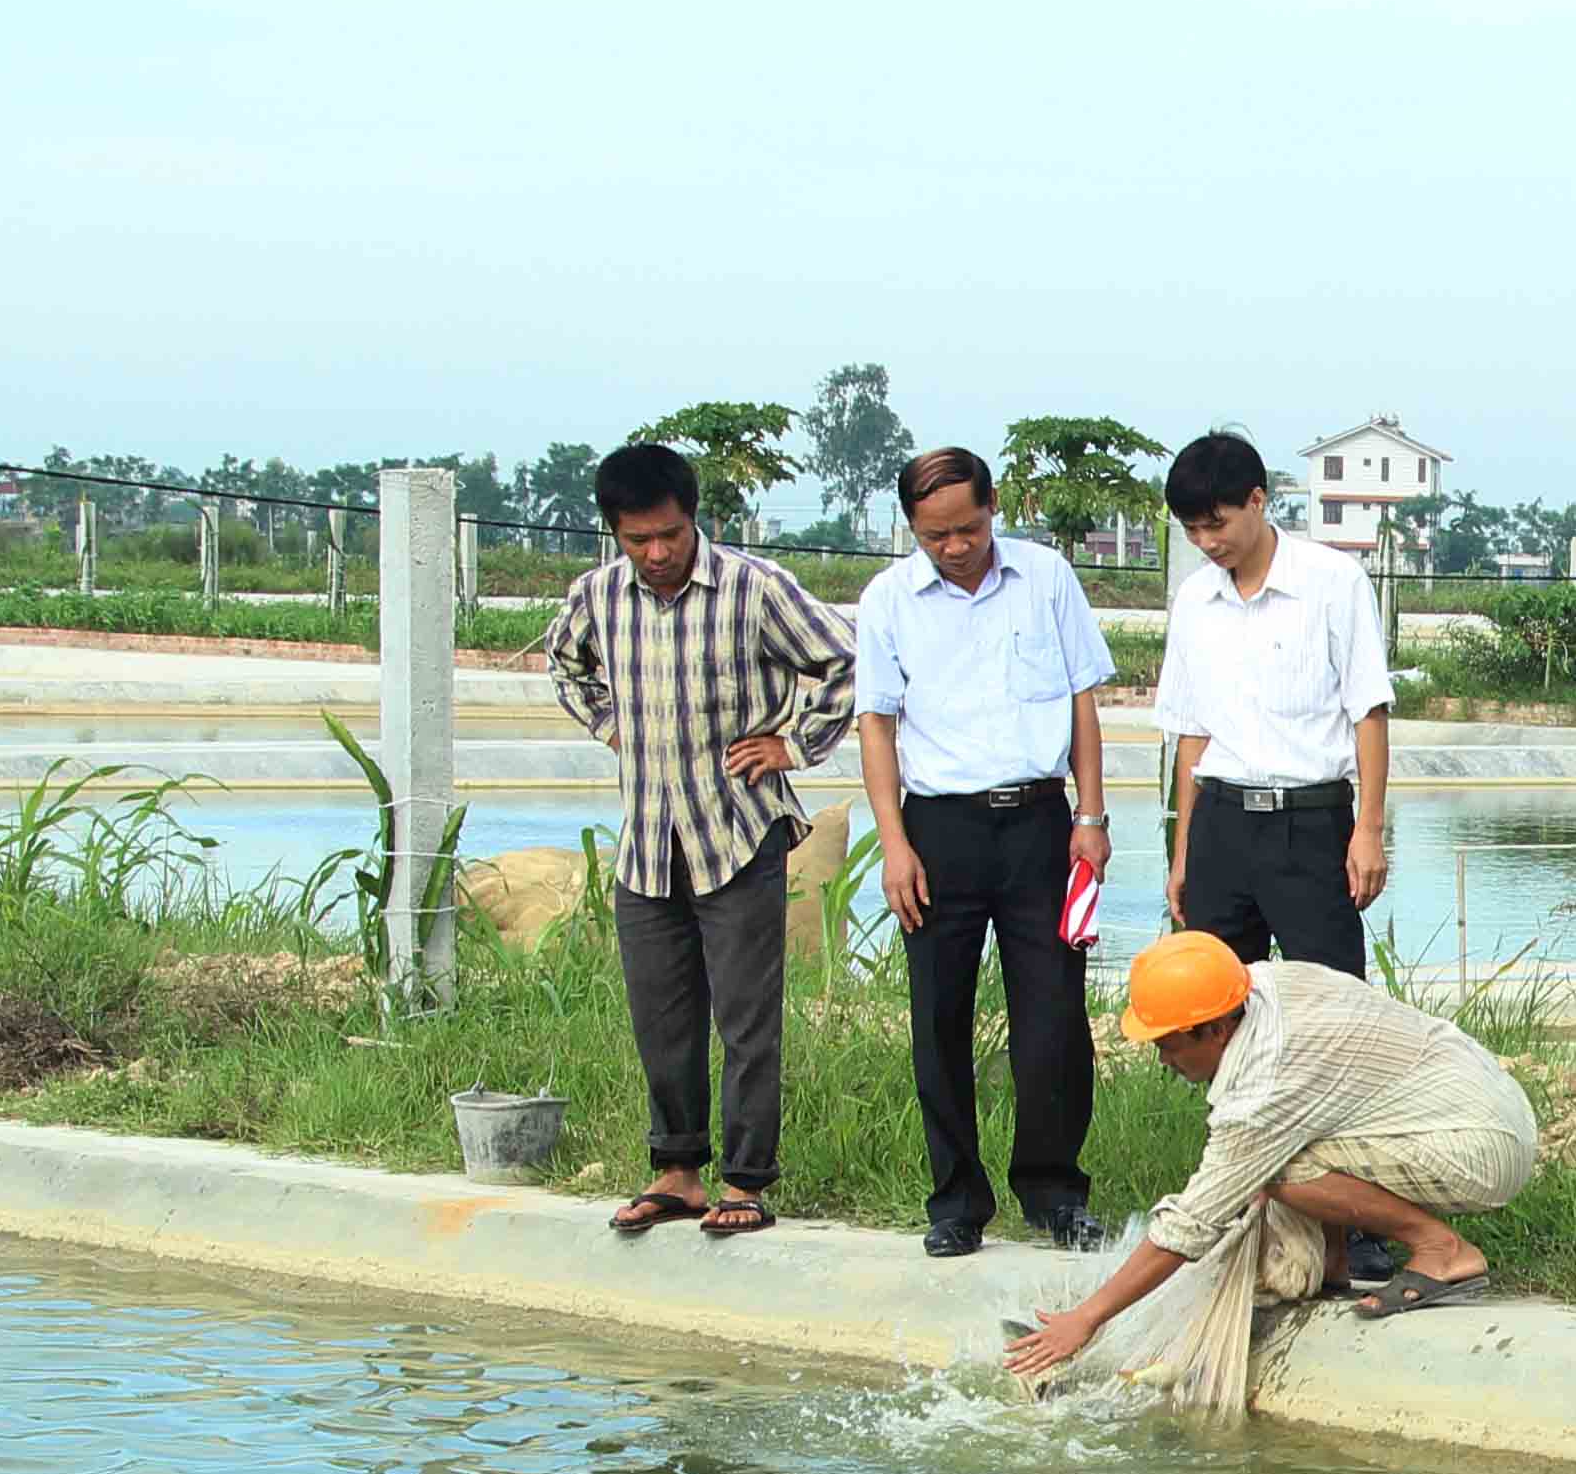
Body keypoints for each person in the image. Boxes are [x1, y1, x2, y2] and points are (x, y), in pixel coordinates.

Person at [546, 439, 855, 1241]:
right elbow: (564, 663)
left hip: (738, 835)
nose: (656, 554)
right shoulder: (599, 595)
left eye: (670, 536)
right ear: (614, 533)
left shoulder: (754, 590)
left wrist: (794, 744)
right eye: (637, 540)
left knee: (747, 1020)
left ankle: (746, 1180)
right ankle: (676, 1170)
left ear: (695, 520)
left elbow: (845, 662)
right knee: (661, 1015)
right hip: (648, 841)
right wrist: (613, 728)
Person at [1001, 933, 1542, 1380]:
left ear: (1214, 1030)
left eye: (1167, 1044)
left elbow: (1192, 1223)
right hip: (1480, 1104)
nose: (1163, 1060)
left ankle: (1441, 1249)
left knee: (1282, 1170)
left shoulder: (1265, 1082)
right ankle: (1332, 1264)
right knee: (1292, 1152)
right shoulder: (1254, 983)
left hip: (1476, 1146)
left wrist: (1088, 1318)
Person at [855, 444, 1115, 1259]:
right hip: (938, 831)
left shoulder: (1045, 579)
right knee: (938, 1017)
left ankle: (1054, 1192)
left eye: (967, 527)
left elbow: (1082, 701)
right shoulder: (888, 600)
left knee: (1054, 1018)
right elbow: (876, 724)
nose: (956, 547)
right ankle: (957, 1201)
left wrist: (1093, 817)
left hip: (1040, 823)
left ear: (993, 505)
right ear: (913, 529)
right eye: (936, 536)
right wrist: (894, 844)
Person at [1150, 431, 1391, 974]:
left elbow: (1369, 713)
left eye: (1217, 524)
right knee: (1214, 1002)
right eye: (1192, 530)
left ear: (1257, 501)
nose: (1207, 543)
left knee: (1332, 1000)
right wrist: (1184, 851)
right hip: (1220, 823)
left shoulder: (1333, 582)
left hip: (1308, 826)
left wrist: (1368, 831)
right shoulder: (1194, 601)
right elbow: (1191, 734)